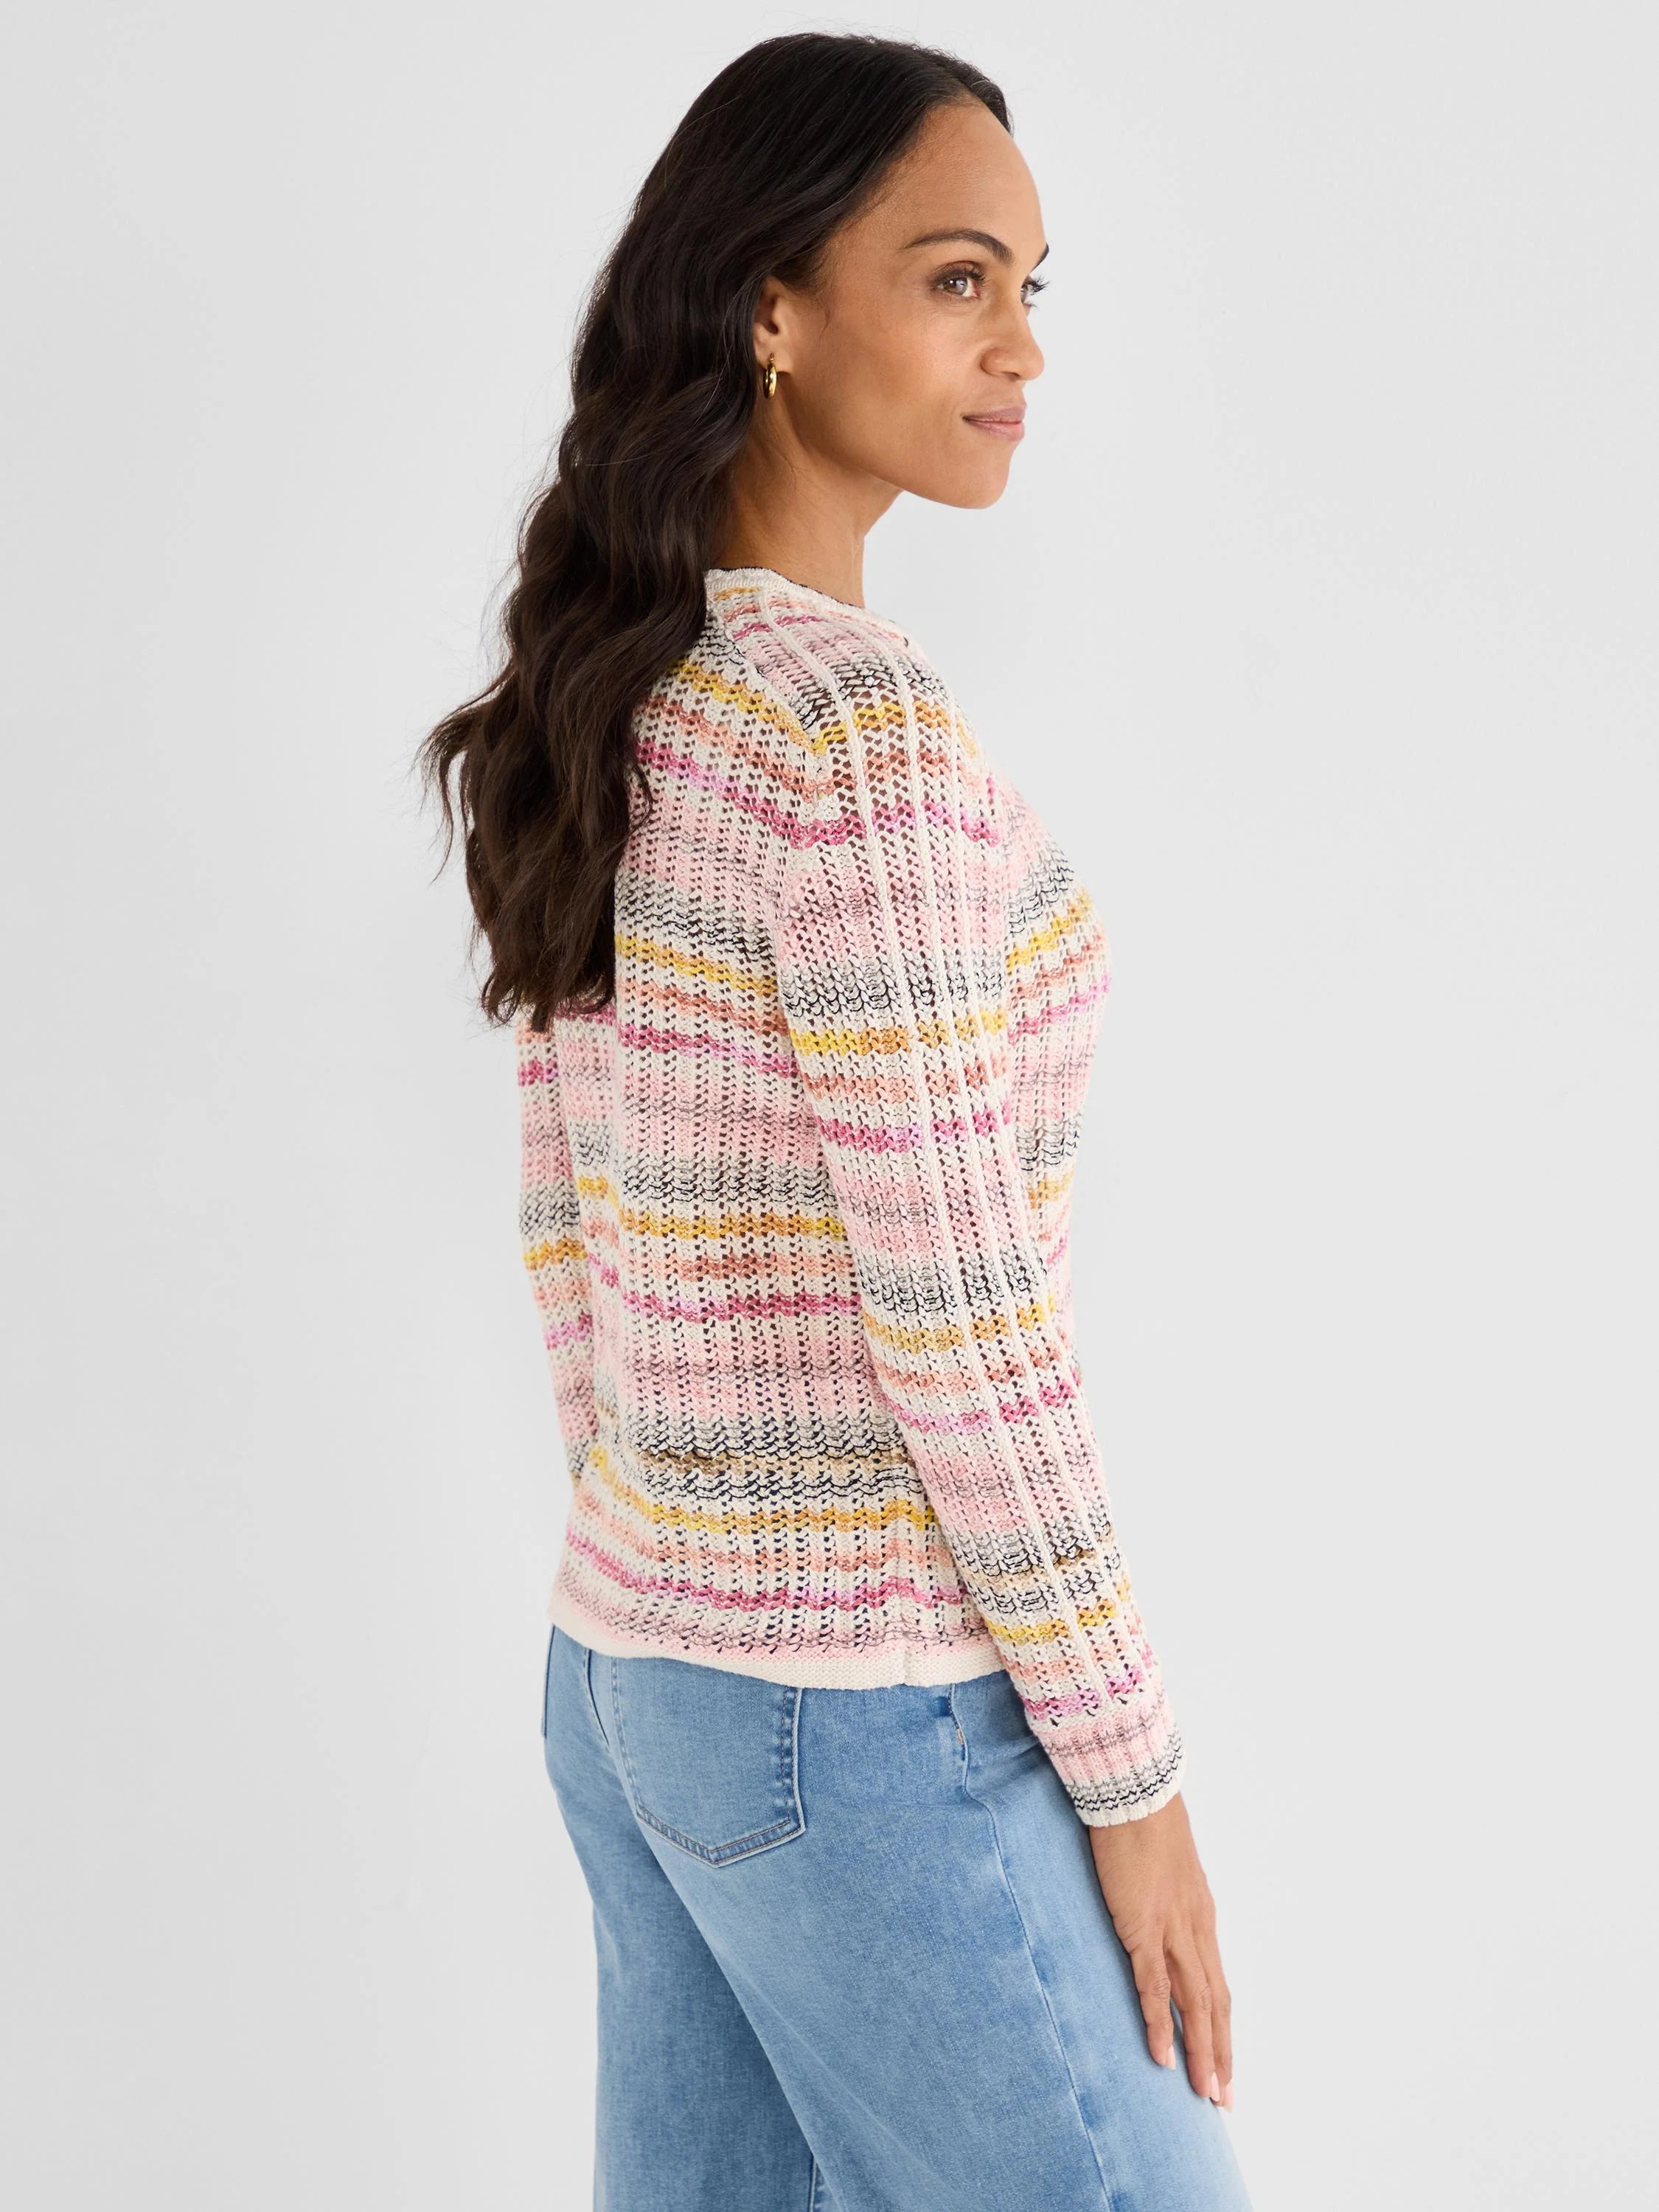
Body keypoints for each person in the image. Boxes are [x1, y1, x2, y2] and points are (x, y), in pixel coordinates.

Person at [421, 31, 1253, 2212]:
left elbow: (569, 1236)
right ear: (771, 307)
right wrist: (1135, 1784)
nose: (1019, 350)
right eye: (957, 279)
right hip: (864, 1706)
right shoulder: (850, 737)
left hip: (635, 1673)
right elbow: (961, 1317)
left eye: (1030, 291)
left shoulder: (620, 695)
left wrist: (666, 1585)